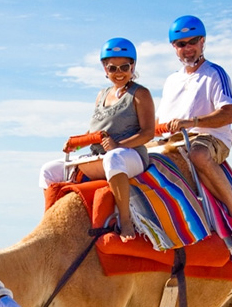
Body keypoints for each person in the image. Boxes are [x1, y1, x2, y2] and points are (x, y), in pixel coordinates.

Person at [39, 37, 155, 241]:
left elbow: (148, 133)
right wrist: (76, 143)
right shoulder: (101, 95)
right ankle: (49, 223)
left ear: (133, 66)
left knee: (114, 158)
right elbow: (96, 129)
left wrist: (118, 145)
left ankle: (125, 221)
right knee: (48, 170)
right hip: (99, 156)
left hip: (130, 156)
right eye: (113, 68)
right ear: (105, 68)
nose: (118, 73)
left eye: (124, 67)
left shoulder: (140, 94)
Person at [156, 15, 232, 242]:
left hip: (209, 137)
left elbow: (227, 113)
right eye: (182, 44)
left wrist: (192, 122)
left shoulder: (215, 73)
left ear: (203, 42)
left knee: (198, 155)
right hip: (173, 140)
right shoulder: (171, 81)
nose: (188, 48)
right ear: (174, 47)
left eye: (193, 42)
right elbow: (159, 119)